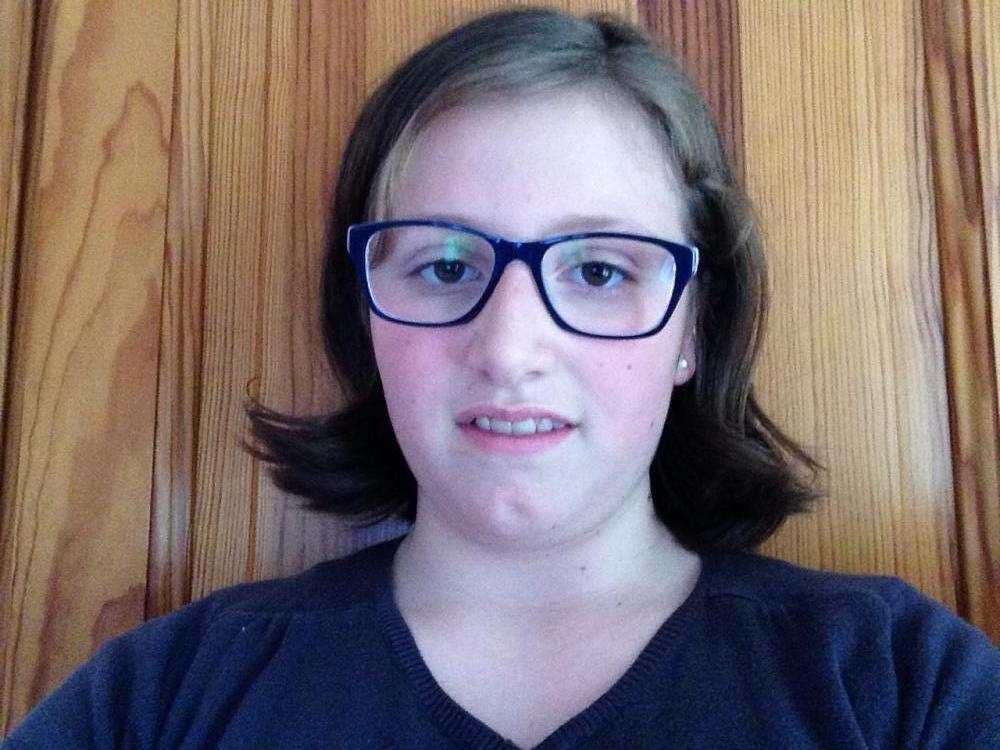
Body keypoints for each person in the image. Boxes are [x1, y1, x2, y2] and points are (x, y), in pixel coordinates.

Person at [5, 8, 998, 749]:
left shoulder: (903, 687)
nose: (509, 347)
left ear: (692, 329)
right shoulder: (158, 701)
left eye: (599, 271)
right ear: (365, 312)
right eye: (444, 266)